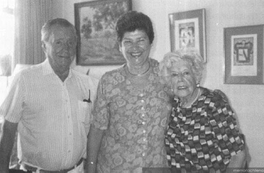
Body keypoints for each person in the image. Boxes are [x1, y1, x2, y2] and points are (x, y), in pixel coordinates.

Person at [0, 18, 98, 173]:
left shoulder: (89, 84)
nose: (66, 48)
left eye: (71, 43)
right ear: (44, 46)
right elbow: (8, 129)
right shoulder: (24, 80)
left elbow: (95, 132)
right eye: (58, 42)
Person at [86, 11, 171, 173]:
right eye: (128, 42)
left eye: (141, 40)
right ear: (120, 46)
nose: (135, 48)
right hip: (114, 168)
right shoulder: (109, 81)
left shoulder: (165, 75)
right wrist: (90, 168)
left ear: (150, 42)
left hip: (155, 167)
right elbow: (97, 129)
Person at [159, 50, 246, 173]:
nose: (180, 79)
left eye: (186, 73)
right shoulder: (174, 106)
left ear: (196, 76)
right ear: (169, 81)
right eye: (174, 75)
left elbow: (238, 155)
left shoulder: (214, 104)